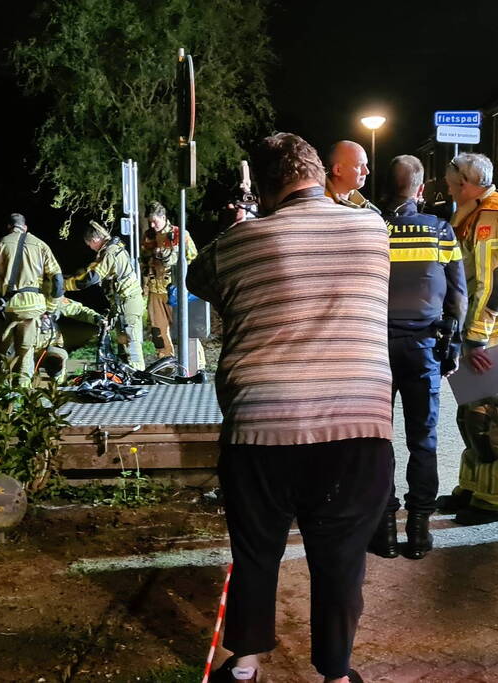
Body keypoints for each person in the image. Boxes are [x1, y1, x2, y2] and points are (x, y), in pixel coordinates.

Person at [188, 132, 392, 683]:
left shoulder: (239, 243)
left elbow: (196, 277)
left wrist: (244, 219)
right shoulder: (373, 230)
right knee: (341, 558)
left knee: (256, 552)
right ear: (319, 173)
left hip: (261, 426)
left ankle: (246, 663)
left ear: (266, 185)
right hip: (358, 424)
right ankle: (335, 671)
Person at [370, 155, 467, 561]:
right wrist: (454, 344)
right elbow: (458, 295)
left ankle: (385, 529)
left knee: (378, 440)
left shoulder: (372, 228)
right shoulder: (440, 232)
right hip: (424, 348)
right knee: (422, 440)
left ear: (387, 188)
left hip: (374, 350)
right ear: (421, 189)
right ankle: (420, 529)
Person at [437, 153, 498, 525]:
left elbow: (495, 280)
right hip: (487, 332)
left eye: (450, 185)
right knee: (473, 415)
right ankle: (474, 488)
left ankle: (496, 500)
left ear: (465, 183)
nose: (447, 191)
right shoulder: (480, 213)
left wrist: (476, 337)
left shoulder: (491, 216)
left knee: (495, 417)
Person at [0, 213, 63, 386]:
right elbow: (58, 281)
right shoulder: (41, 245)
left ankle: (0, 393)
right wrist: (50, 310)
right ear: (25, 227)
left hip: (7, 307)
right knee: (26, 353)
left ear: (9, 227)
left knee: (3, 353)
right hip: (33, 308)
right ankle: (22, 394)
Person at [65, 221, 146, 370]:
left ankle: (139, 375)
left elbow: (92, 277)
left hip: (128, 302)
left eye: (89, 244)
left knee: (131, 341)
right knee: (124, 342)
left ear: (95, 240)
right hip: (123, 303)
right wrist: (72, 276)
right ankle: (128, 374)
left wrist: (66, 285)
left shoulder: (110, 252)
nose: (90, 248)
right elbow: (90, 270)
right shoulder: (110, 250)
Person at [141, 201, 204, 366]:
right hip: (155, 289)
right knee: (158, 330)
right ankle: (165, 363)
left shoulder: (180, 234)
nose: (153, 225)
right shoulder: (148, 235)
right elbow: (144, 260)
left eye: (155, 221)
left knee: (186, 328)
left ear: (164, 217)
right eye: (150, 222)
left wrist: (169, 255)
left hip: (175, 290)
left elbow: (193, 258)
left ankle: (196, 364)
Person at [32, 296, 103, 383]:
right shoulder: (23, 297)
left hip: (52, 342)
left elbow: (77, 310)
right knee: (24, 371)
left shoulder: (54, 298)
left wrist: (96, 318)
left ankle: (56, 386)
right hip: (25, 344)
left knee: (58, 363)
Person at [324, 140, 379, 212]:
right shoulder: (319, 204)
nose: (366, 171)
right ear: (338, 170)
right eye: (359, 165)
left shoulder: (365, 206)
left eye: (365, 165)